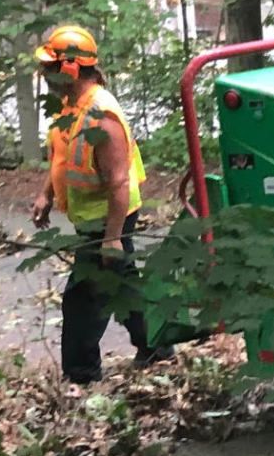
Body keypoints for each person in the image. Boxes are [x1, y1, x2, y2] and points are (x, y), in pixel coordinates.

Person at [27, 23, 170, 383]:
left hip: (110, 218)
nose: (43, 74)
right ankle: (157, 345)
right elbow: (62, 155)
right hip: (90, 218)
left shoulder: (102, 117)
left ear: (71, 68)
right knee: (122, 283)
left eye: (49, 66)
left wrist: (112, 237)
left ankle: (81, 374)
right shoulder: (70, 106)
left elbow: (119, 181)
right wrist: (46, 192)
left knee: (84, 298)